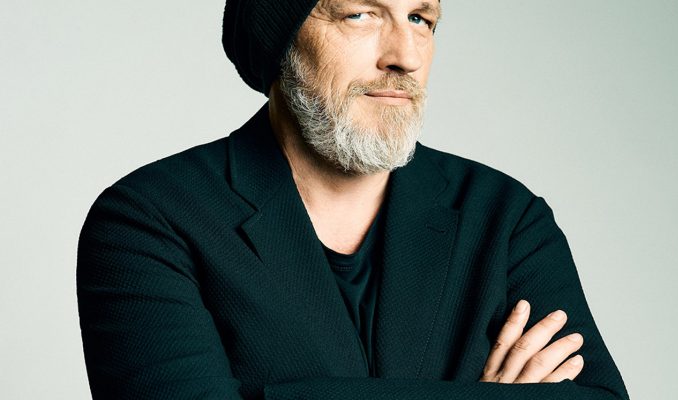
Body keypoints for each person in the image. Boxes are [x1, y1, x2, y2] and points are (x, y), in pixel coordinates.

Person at [76, 0, 629, 399]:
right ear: (281, 39)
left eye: (421, 18)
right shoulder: (148, 220)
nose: (405, 57)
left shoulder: (506, 217)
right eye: (360, 14)